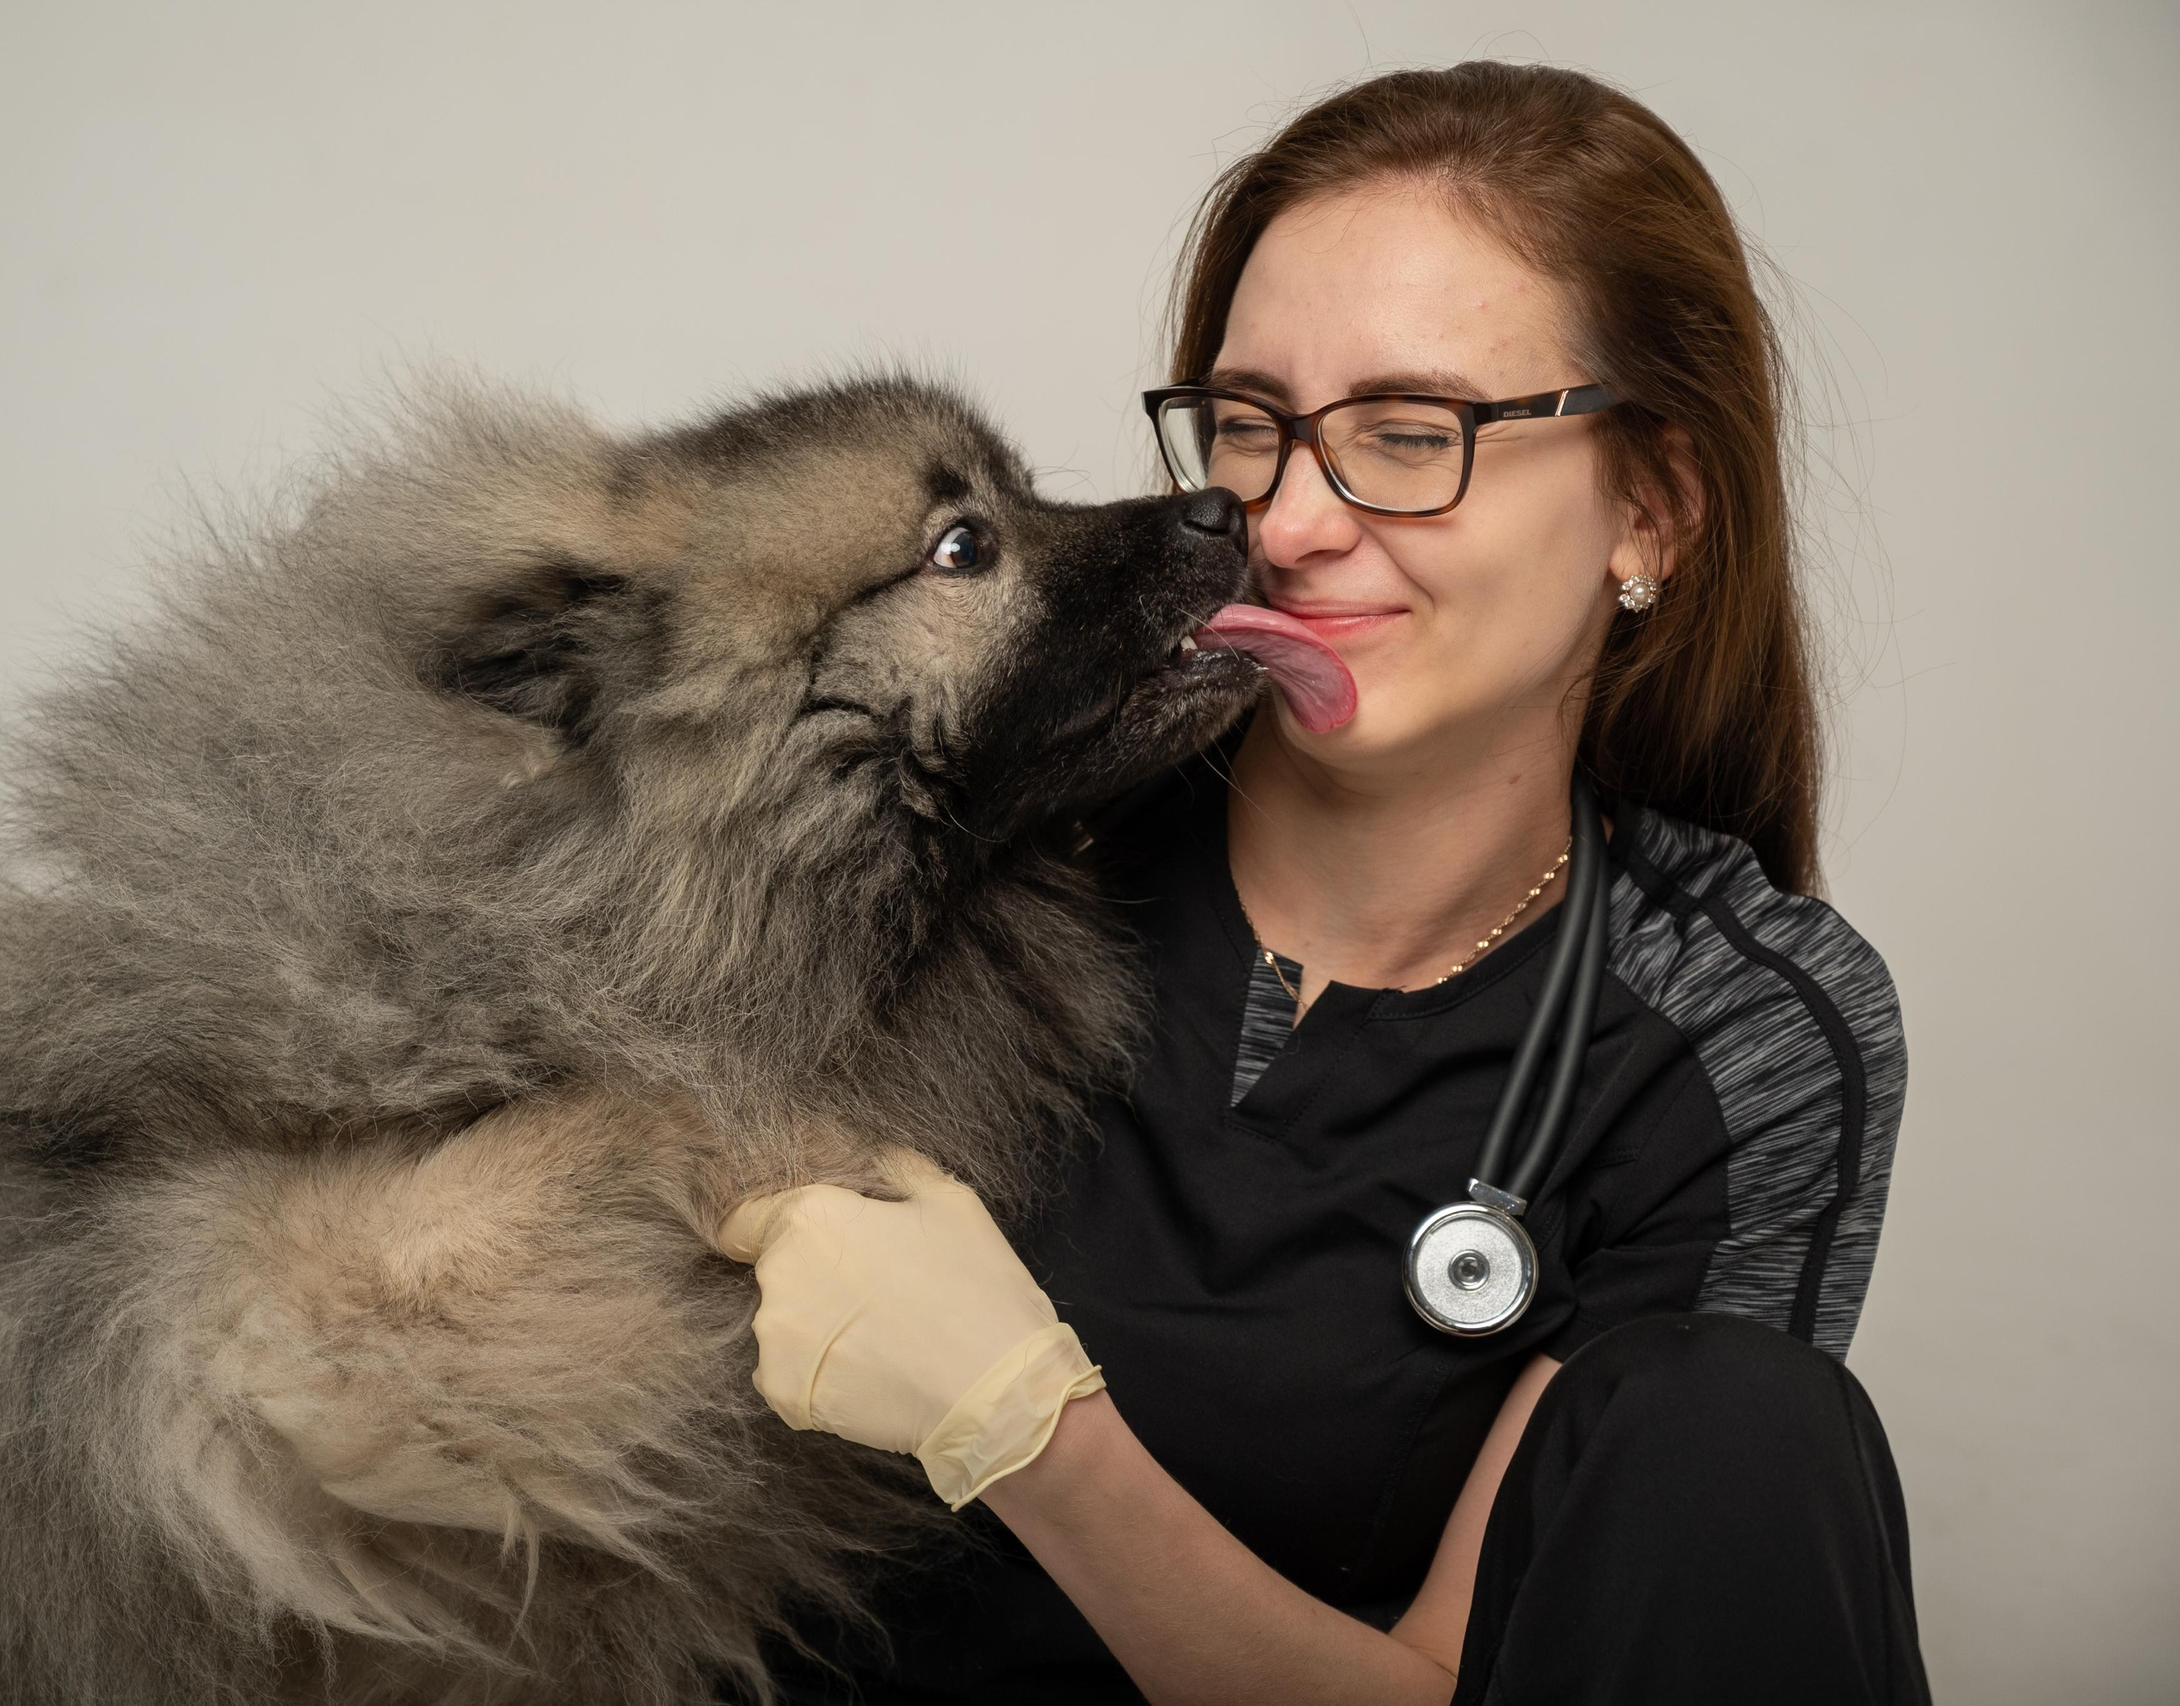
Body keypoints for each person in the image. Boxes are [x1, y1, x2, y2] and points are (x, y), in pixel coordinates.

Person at [724, 63, 1933, 1706]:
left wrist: (1024, 1428)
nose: (1283, 521)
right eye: (1247, 426)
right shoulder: (964, 825)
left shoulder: (1739, 1032)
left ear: (1648, 507)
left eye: (1406, 434)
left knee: (1746, 1427)